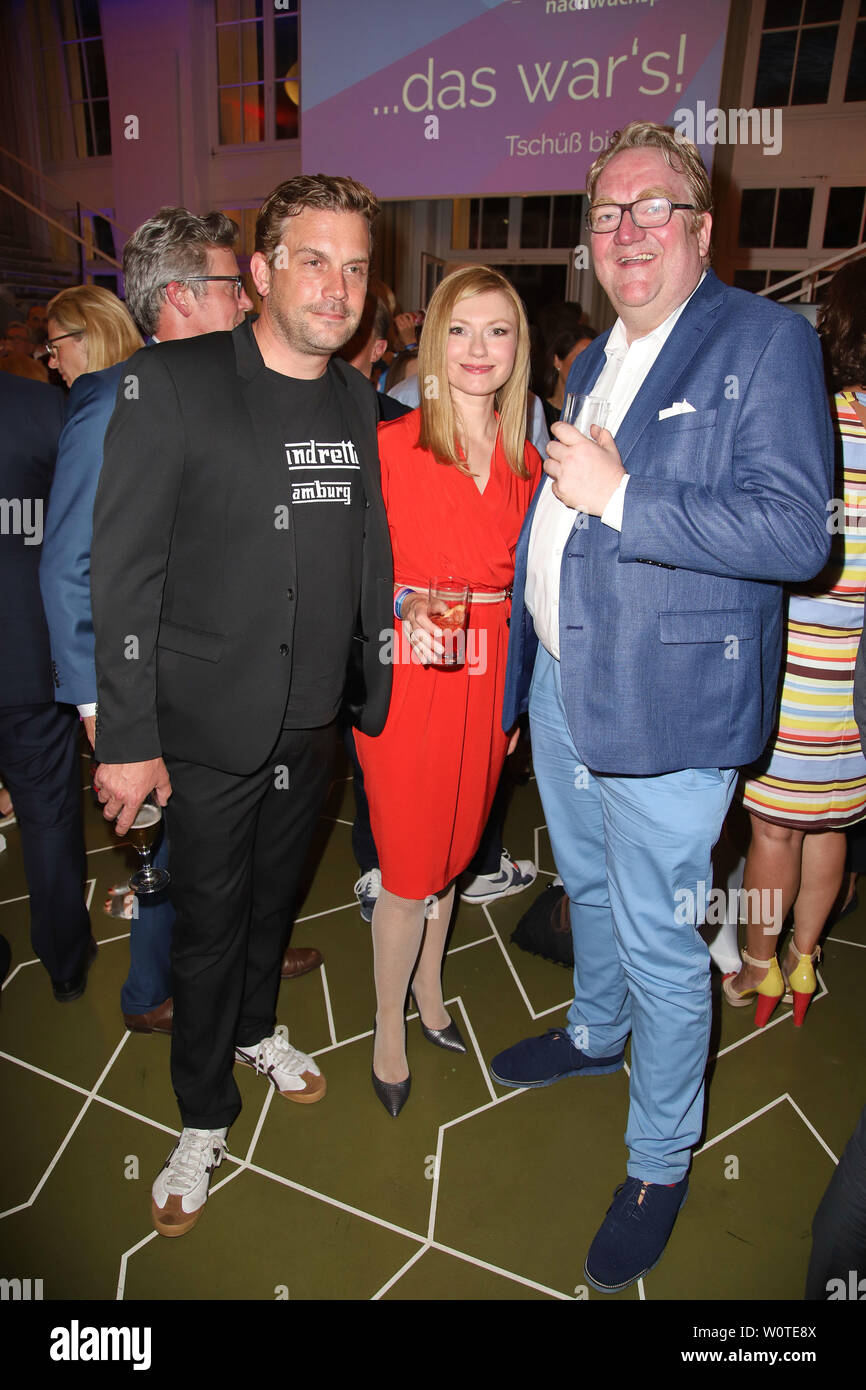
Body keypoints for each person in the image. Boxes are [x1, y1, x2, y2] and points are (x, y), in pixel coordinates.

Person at [491, 121, 833, 1293]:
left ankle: (658, 1159)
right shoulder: (591, 358)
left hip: (672, 715)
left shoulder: (766, 338)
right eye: (604, 215)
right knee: (586, 891)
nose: (625, 231)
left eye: (650, 210)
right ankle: (594, 1034)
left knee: (661, 940)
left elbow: (796, 534)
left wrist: (624, 495)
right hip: (567, 686)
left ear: (697, 229)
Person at [90, 174, 392, 1237]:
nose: (337, 285)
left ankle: (259, 1029)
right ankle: (202, 1114)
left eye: (355, 265)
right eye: (313, 259)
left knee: (273, 907)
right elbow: (119, 572)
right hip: (206, 730)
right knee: (210, 928)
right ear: (260, 271)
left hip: (314, 726)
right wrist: (126, 736)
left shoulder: (359, 400)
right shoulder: (168, 384)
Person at [36, 218, 328, 1040]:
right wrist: (109, 721)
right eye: (236, 286)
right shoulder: (124, 397)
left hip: (210, 683)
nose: (250, 301)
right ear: (183, 299)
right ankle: (152, 995)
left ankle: (242, 961)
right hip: (149, 691)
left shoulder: (217, 388)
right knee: (173, 861)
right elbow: (68, 570)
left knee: (218, 859)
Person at [354, 265, 541, 1116]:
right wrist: (400, 601)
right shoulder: (390, 446)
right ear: (434, 341)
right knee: (406, 866)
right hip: (411, 675)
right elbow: (352, 575)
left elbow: (536, 595)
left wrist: (514, 704)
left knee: (458, 856)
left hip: (488, 675)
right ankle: (386, 1029)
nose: (478, 349)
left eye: (497, 331)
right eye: (461, 329)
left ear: (517, 348)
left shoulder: (528, 458)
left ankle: (431, 987)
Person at [725, 258, 866, 1027]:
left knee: (775, 828)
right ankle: (806, 963)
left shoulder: (815, 417)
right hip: (857, 684)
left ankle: (759, 970)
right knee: (831, 828)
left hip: (795, 667)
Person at [0, 373, 93, 1000]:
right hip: (27, 656)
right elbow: (72, 530)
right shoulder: (41, 406)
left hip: (29, 659)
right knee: (49, 818)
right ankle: (64, 960)